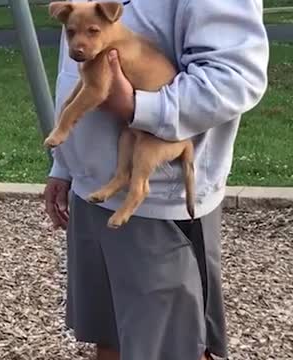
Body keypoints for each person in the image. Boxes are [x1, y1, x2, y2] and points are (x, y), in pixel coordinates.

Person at [43, 0, 269, 359]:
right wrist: (65, 165)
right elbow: (79, 67)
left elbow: (236, 77)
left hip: (159, 202)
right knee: (112, 338)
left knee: (169, 347)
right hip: (94, 192)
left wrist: (136, 107)